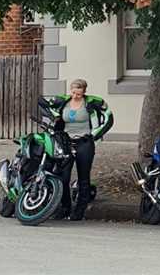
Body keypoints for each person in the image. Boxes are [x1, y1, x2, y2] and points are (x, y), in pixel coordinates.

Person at [46, 79, 113, 220]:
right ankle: (65, 207)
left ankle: (79, 210)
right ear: (71, 91)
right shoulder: (63, 102)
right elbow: (48, 107)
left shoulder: (91, 103)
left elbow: (109, 117)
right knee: (62, 177)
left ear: (84, 92)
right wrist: (56, 120)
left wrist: (95, 135)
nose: (76, 96)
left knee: (83, 177)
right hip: (66, 142)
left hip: (84, 142)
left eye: (79, 94)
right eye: (74, 93)